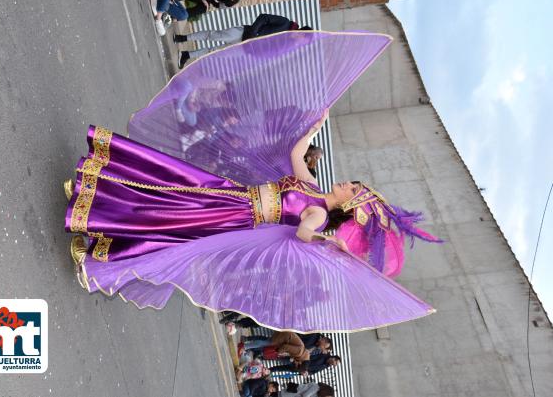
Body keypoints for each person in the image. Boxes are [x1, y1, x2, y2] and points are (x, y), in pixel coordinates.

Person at [64, 30, 439, 334]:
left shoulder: (319, 216)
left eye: (351, 190)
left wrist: (331, 243)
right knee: (165, 188)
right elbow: (295, 155)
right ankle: (92, 195)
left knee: (166, 228)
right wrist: (314, 126)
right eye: (352, 184)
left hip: (234, 218)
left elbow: (304, 236)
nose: (347, 185)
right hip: (230, 194)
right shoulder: (311, 185)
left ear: (347, 206)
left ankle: (99, 257)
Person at [173, 13, 312, 68]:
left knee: (213, 52)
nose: (301, 44)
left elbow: (272, 54)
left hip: (245, 50)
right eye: (303, 41)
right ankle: (184, 38)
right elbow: (264, 18)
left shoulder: (288, 44)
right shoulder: (285, 23)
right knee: (213, 36)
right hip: (243, 33)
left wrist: (256, 55)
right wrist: (252, 33)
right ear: (301, 34)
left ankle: (186, 55)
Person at [270, 354, 340, 377]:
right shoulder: (323, 355)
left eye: (336, 365)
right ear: (334, 358)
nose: (334, 365)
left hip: (298, 369)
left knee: (280, 368)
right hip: (298, 361)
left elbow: (314, 372)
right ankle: (263, 355)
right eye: (336, 363)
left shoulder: (326, 366)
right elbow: (309, 357)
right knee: (280, 358)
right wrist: (305, 369)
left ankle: (268, 370)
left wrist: (307, 373)